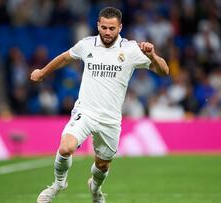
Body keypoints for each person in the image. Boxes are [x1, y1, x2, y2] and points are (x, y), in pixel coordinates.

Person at [30, 7, 169, 203]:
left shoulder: (131, 49)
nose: (107, 32)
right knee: (65, 148)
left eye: (112, 28)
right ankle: (58, 184)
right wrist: (43, 72)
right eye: (103, 27)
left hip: (110, 119)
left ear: (120, 27)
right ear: (98, 25)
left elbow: (164, 71)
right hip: (85, 112)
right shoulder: (87, 45)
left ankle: (95, 190)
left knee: (102, 166)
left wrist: (153, 55)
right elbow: (65, 58)